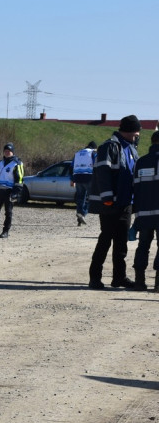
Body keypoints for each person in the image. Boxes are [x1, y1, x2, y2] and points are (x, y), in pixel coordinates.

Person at [88, 115, 141, 290]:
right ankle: (95, 277)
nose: (138, 134)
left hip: (126, 204)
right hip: (111, 204)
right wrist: (107, 198)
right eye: (136, 131)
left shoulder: (131, 148)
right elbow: (103, 173)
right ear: (127, 130)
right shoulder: (109, 146)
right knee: (105, 240)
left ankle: (119, 277)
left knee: (121, 242)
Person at [131, 131, 159, 291]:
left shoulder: (140, 162)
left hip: (143, 213)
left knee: (143, 246)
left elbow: (135, 188)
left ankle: (139, 281)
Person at [71, 141, 97, 226]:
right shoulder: (93, 153)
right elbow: (95, 164)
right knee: (91, 198)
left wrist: (72, 179)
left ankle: (79, 217)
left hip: (77, 177)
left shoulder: (77, 153)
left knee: (80, 198)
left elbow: (72, 166)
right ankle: (83, 213)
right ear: (94, 148)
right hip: (88, 177)